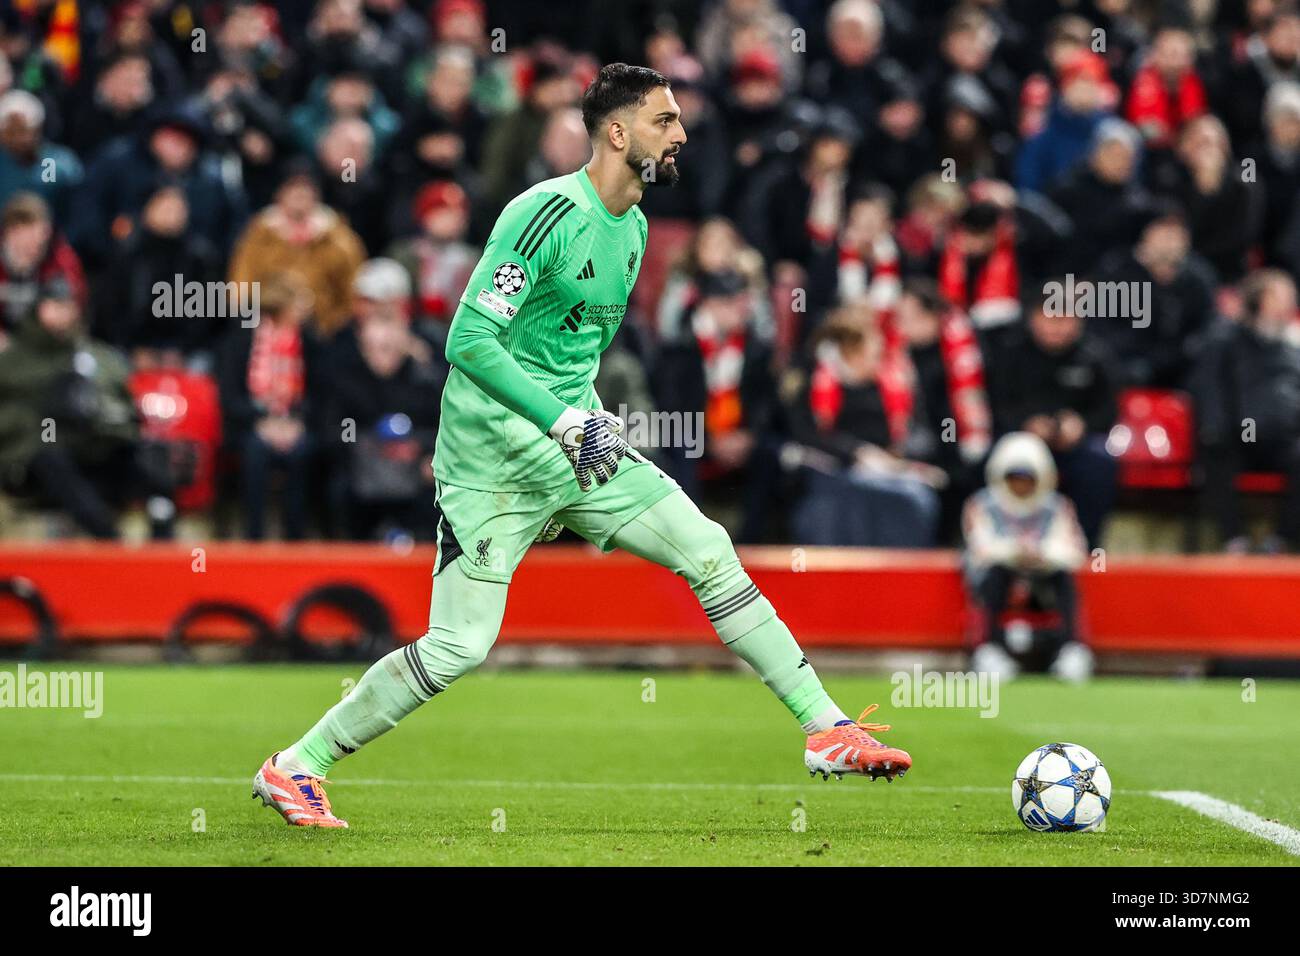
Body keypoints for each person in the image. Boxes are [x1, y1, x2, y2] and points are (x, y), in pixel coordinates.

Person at [252, 64, 912, 828]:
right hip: (492, 462)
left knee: (707, 546)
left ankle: (824, 727)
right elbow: (469, 339)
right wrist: (562, 420)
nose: (683, 135)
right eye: (666, 121)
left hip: (577, 449)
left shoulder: (632, 230)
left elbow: (569, 355)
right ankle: (296, 765)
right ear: (618, 133)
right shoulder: (544, 213)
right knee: (459, 647)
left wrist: (583, 420)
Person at [962, 431, 1091, 681]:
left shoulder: (1057, 506)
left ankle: (1072, 649)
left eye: (1027, 477)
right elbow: (980, 547)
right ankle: (988, 649)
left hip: (1043, 580)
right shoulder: (982, 504)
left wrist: (1042, 554)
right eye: (1014, 477)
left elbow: (1074, 550)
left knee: (1065, 579)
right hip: (1000, 578)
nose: (1020, 484)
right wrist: (1014, 552)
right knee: (992, 576)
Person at [1189, 269, 1300, 552]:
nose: (1287, 305)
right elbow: (1209, 388)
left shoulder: (1289, 348)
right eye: (1278, 298)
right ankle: (1233, 539)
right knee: (1217, 451)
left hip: (1279, 438)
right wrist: (1214, 428)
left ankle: (1282, 540)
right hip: (1237, 435)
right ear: (1257, 300)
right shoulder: (1223, 340)